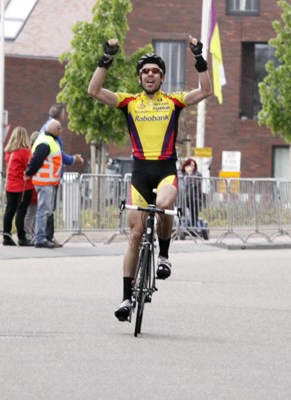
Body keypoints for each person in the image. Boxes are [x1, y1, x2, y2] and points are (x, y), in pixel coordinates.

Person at [87, 35, 213, 321]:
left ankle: (165, 255)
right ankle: (126, 299)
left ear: (162, 77)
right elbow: (94, 90)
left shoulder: (174, 101)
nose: (150, 74)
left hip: (166, 170)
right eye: (145, 71)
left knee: (165, 203)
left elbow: (205, 90)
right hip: (140, 174)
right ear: (140, 78)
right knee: (134, 236)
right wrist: (107, 57)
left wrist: (198, 57)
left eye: (155, 71)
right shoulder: (129, 102)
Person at [40, 104, 84, 247]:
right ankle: (46, 237)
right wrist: (72, 159)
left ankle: (47, 237)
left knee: (48, 207)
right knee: (48, 208)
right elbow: (58, 153)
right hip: (50, 176)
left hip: (50, 175)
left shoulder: (47, 128)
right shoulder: (51, 130)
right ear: (61, 115)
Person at [25, 119, 64, 249]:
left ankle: (43, 237)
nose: (61, 131)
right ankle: (40, 238)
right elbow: (36, 160)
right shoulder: (46, 142)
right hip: (45, 181)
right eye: (59, 129)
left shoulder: (48, 140)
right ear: (53, 130)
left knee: (46, 210)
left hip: (49, 181)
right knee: (43, 210)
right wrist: (29, 172)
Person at [2, 126, 35, 246]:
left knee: (9, 210)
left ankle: (6, 236)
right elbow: (30, 166)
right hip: (23, 186)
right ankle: (22, 236)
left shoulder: (8, 152)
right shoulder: (25, 152)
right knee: (21, 211)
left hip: (10, 186)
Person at [23, 131, 40, 242]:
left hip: (32, 185)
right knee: (31, 212)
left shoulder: (32, 151)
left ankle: (31, 233)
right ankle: (28, 233)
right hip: (33, 185)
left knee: (33, 212)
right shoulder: (34, 153)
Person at [180, 158, 203, 232]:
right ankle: (180, 224)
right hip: (183, 197)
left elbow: (193, 184)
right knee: (179, 206)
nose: (192, 167)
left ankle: (194, 227)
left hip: (194, 197)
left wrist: (189, 175)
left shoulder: (197, 174)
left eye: (193, 165)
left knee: (193, 208)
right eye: (190, 165)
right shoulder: (181, 174)